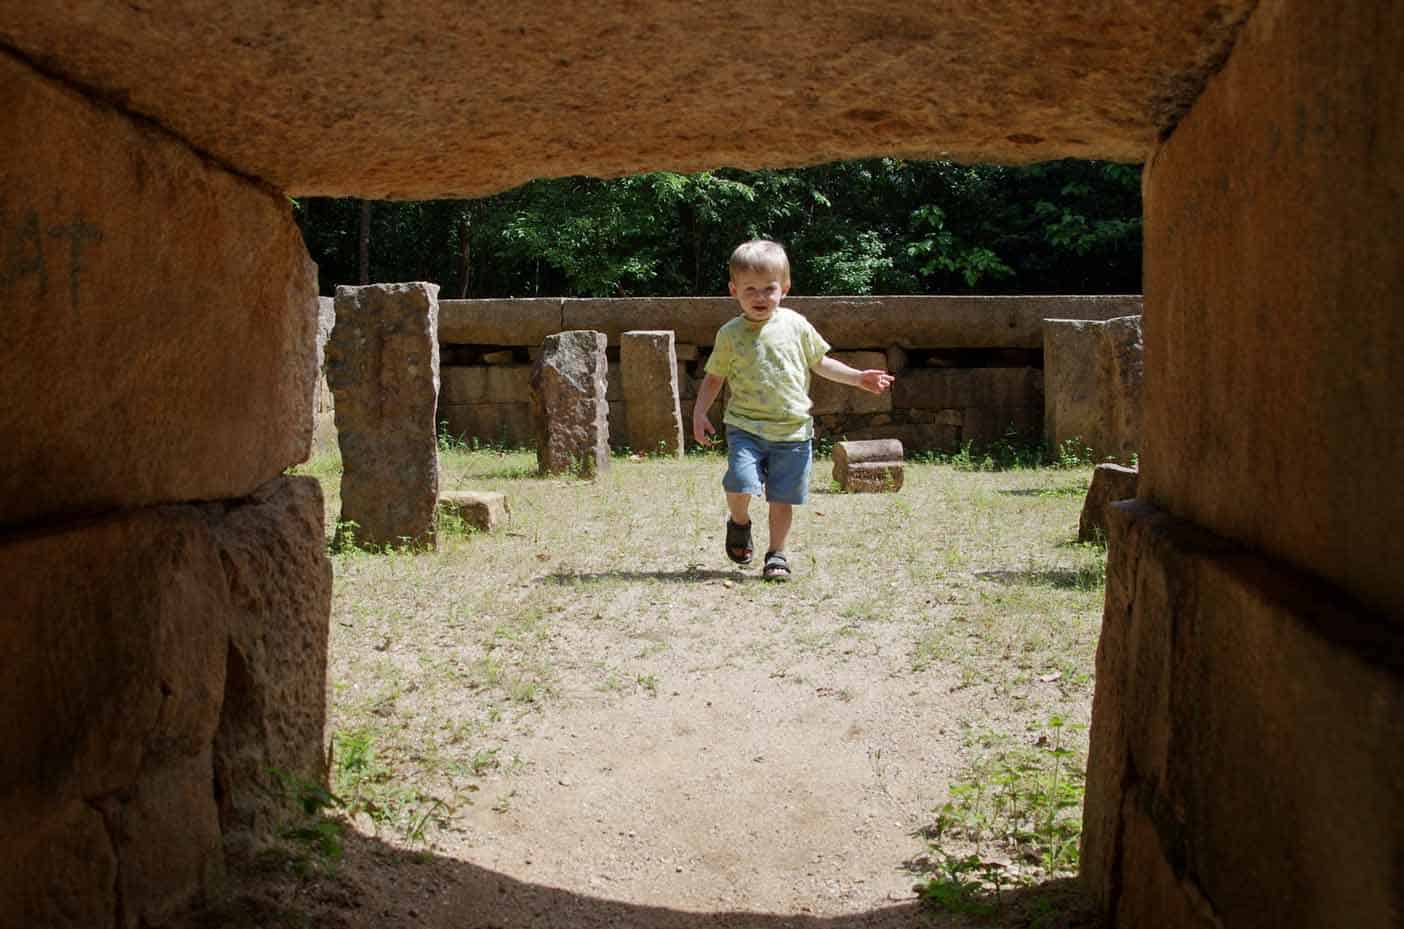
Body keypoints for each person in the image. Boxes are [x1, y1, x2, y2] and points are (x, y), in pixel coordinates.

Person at [692, 239, 894, 580]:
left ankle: (777, 554)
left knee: (781, 498)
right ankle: (739, 522)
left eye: (768, 288)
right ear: (733, 290)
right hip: (746, 428)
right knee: (739, 484)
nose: (760, 297)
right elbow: (714, 378)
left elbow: (821, 363)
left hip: (793, 431)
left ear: (784, 288)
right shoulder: (730, 334)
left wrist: (858, 377)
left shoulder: (796, 325)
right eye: (750, 289)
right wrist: (699, 413)